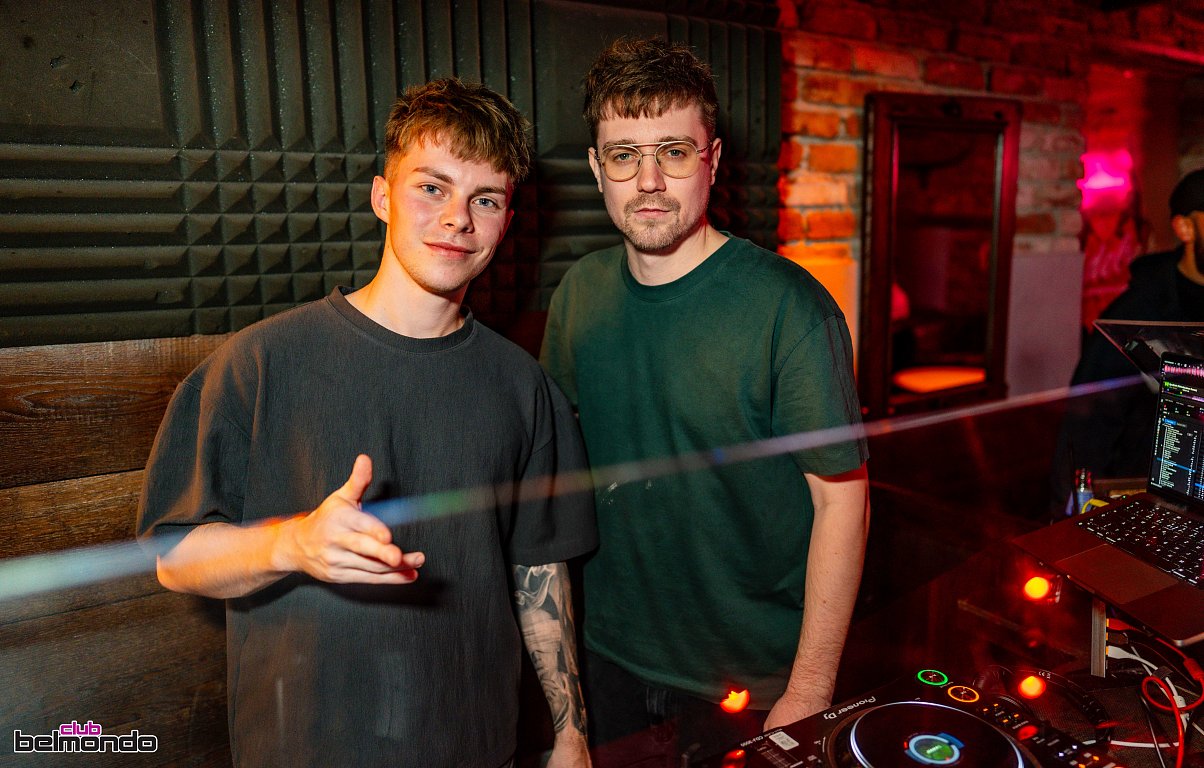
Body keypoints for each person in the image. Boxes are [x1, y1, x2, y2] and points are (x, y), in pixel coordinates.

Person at [137, 78, 596, 768]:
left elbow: (539, 571)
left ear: (507, 219)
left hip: (477, 747)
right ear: (383, 196)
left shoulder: (524, 385)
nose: (457, 219)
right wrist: (291, 544)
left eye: (485, 199)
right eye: (432, 188)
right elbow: (173, 559)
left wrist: (570, 731)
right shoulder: (258, 363)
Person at [539, 38, 870, 762]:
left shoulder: (790, 309)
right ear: (596, 168)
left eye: (674, 152)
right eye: (624, 156)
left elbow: (842, 502)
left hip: (751, 681)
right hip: (611, 658)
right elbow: (558, 480)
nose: (649, 180)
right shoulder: (579, 294)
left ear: (712, 160)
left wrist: (810, 689)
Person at [1053, 168, 1204, 510]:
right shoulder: (1138, 314)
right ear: (1185, 228)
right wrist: (1071, 510)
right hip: (1154, 501)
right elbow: (1087, 422)